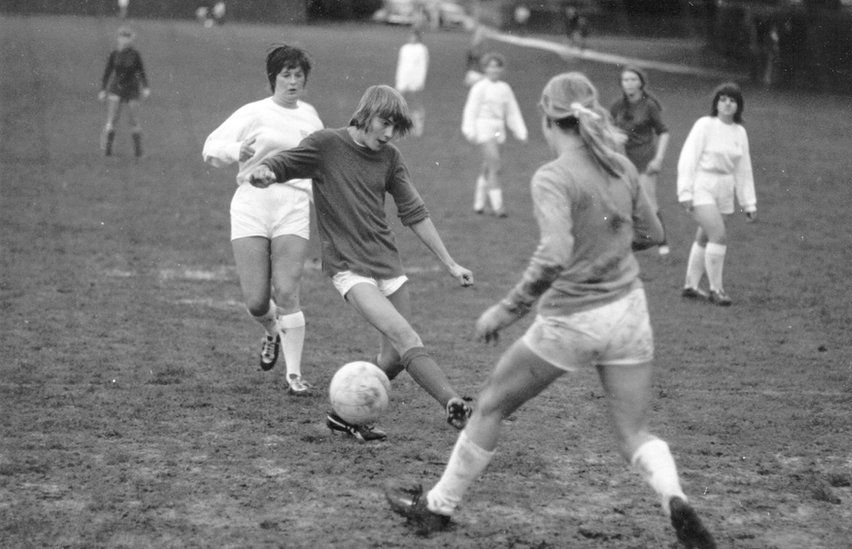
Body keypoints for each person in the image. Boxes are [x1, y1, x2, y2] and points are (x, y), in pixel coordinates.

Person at [385, 72, 715, 549]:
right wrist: (609, 250)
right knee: (634, 433)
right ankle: (675, 499)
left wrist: (506, 308)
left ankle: (437, 507)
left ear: (547, 119)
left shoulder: (554, 176)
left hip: (573, 318)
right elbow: (655, 233)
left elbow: (555, 254)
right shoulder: (622, 167)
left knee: (493, 404)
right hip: (629, 314)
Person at [248, 85, 476, 441]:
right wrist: (266, 171)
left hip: (389, 265)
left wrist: (449, 263)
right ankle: (452, 402)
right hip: (350, 268)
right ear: (366, 114)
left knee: (398, 356)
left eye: (394, 129)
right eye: (384, 123)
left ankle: (343, 416)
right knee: (406, 336)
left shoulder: (390, 157)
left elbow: (414, 212)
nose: (387, 134)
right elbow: (285, 162)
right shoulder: (326, 144)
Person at [202, 45, 324, 396]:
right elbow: (211, 146)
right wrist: (234, 151)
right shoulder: (254, 112)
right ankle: (271, 330)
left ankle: (294, 374)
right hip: (252, 205)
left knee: (287, 290)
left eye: (299, 75)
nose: (293, 81)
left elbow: (320, 165)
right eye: (286, 74)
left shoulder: (311, 117)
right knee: (257, 301)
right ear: (274, 78)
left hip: (294, 205)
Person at [676, 82, 757, 306]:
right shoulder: (705, 125)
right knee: (718, 236)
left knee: (705, 236)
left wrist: (748, 203)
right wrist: (685, 191)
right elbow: (688, 157)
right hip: (702, 184)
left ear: (738, 106)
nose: (727, 104)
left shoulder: (740, 132)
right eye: (722, 99)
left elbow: (744, 168)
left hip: (725, 187)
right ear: (716, 103)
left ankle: (691, 286)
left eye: (732, 100)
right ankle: (716, 289)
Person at [610, 65, 672, 257]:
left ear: (641, 83)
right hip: (622, 161)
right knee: (622, 203)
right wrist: (613, 136)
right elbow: (608, 129)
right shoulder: (617, 106)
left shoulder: (649, 105)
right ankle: (629, 242)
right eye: (625, 80)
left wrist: (658, 159)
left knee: (648, 202)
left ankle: (662, 242)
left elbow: (664, 132)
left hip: (644, 160)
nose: (628, 84)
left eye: (632, 80)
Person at [461, 52, 528, 217]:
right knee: (494, 165)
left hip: (498, 130)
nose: (494, 70)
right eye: (490, 67)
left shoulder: (505, 88)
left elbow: (512, 111)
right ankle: (498, 207)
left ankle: (479, 204)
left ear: (501, 70)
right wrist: (469, 130)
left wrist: (520, 131)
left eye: (497, 67)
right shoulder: (479, 87)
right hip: (483, 128)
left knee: (487, 166)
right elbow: (470, 110)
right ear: (485, 69)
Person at [98, 26, 150, 158]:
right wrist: (103, 89)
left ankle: (138, 151)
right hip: (117, 88)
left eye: (127, 38)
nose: (124, 41)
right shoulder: (114, 54)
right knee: (112, 119)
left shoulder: (135, 55)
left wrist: (145, 87)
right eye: (122, 38)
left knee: (134, 119)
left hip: (132, 89)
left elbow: (141, 71)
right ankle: (107, 149)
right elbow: (107, 72)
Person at [395, 29, 429, 136]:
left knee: (415, 102)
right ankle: (399, 125)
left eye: (414, 36)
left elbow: (423, 66)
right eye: (410, 36)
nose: (411, 38)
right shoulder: (404, 48)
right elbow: (400, 64)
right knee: (399, 100)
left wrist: (420, 80)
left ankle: (418, 126)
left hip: (415, 78)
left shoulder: (422, 49)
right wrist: (399, 79)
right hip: (404, 77)